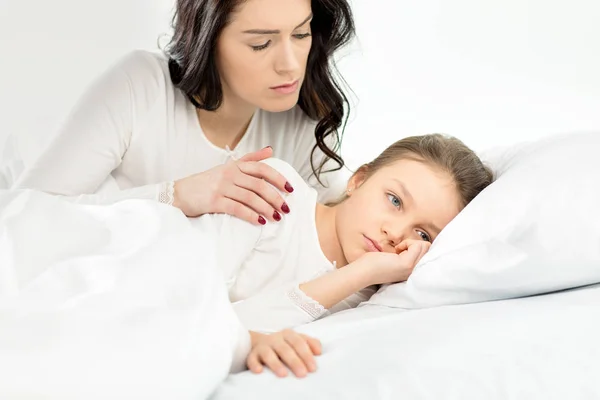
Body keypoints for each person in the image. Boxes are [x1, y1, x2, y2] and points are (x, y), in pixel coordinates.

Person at [13, 0, 355, 225]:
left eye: (301, 33)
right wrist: (178, 195)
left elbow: (337, 227)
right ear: (207, 40)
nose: (291, 65)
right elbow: (25, 217)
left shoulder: (300, 116)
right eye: (260, 44)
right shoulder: (140, 85)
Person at [192, 133, 494, 378]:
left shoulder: (373, 300)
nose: (395, 232)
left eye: (423, 234)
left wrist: (362, 274)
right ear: (359, 180)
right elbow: (190, 320)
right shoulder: (276, 190)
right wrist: (249, 341)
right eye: (395, 200)